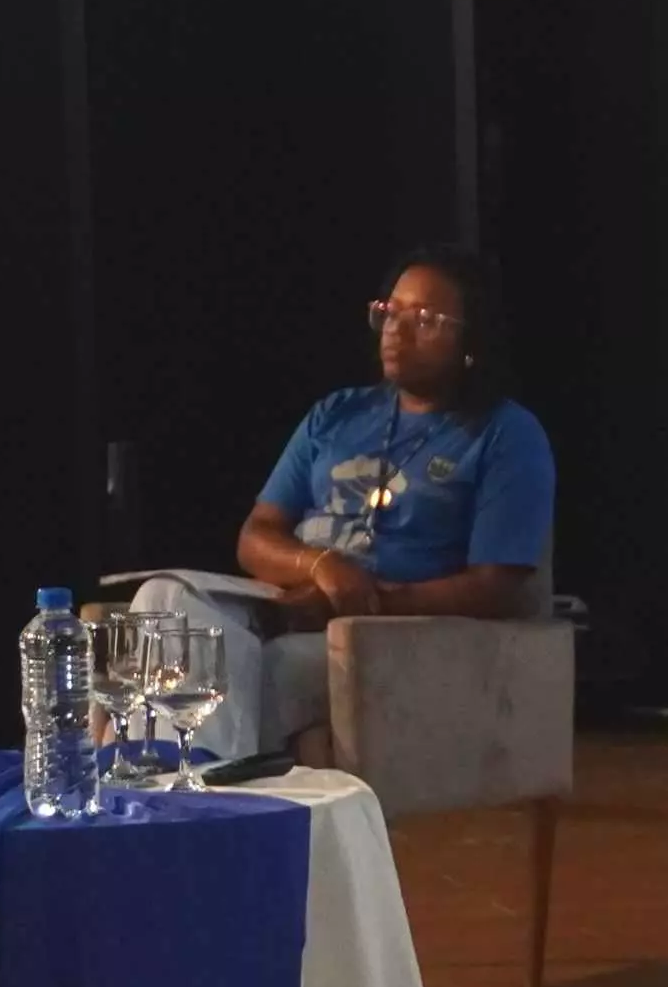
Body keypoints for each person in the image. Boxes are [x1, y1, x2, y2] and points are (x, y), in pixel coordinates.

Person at [133, 252, 556, 761]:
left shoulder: (505, 433)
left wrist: (362, 601)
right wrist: (321, 567)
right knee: (162, 600)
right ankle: (178, 789)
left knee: (254, 669)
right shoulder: (338, 413)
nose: (396, 330)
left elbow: (497, 587)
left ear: (472, 340)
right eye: (390, 312)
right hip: (289, 602)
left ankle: (191, 792)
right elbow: (256, 535)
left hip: (390, 630)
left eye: (424, 319)